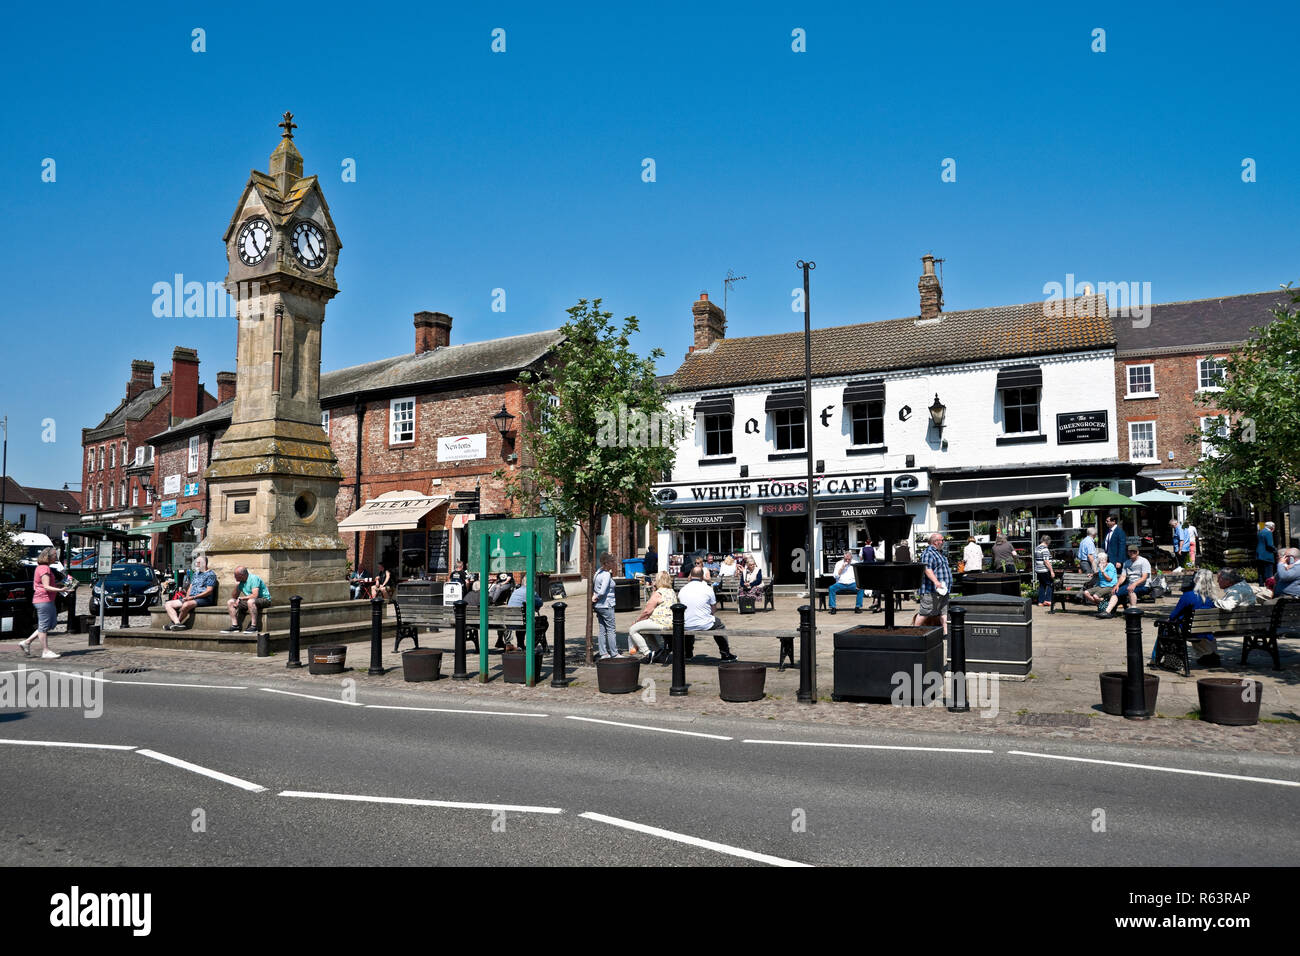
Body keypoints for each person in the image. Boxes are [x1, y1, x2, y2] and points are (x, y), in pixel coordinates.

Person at [1153, 568, 1222, 667]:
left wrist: (1168, 620)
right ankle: (1210, 656)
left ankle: (1163, 660)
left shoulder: (1188, 595)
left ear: (1197, 580)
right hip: (1206, 630)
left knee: (1165, 628)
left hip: (1188, 630)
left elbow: (1173, 616)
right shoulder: (1213, 598)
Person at [17, 548, 74, 659]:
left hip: (46, 600)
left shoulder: (44, 568)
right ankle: (45, 651)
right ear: (48, 556)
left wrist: (60, 584)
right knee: (44, 626)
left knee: (49, 624)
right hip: (44, 600)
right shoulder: (44, 569)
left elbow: (47, 584)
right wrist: (62, 590)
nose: (55, 557)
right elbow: (46, 587)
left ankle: (27, 642)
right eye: (54, 555)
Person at [679, 566, 735, 660]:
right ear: (702, 576)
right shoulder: (708, 588)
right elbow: (714, 608)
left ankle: (688, 653)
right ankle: (725, 653)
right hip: (704, 623)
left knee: (689, 622)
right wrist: (708, 615)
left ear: (691, 576)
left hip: (686, 623)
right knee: (719, 626)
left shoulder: (683, 589)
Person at [629, 571, 676, 663]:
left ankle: (647, 653)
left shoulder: (658, 593)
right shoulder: (671, 591)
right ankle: (658, 651)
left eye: (655, 579)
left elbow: (647, 611)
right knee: (644, 629)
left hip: (660, 622)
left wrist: (637, 621)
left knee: (633, 629)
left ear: (658, 580)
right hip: (671, 621)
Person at [164, 555, 217, 630]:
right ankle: (177, 623)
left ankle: (173, 624)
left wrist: (194, 597)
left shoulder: (211, 574)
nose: (196, 564)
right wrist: (187, 597)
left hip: (203, 599)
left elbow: (209, 591)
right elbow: (190, 587)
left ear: (204, 563)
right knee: (168, 604)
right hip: (191, 597)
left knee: (186, 605)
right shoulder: (196, 574)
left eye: (198, 563)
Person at [913, 533, 952, 634]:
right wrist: (936, 582)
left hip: (943, 590)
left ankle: (945, 633)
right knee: (925, 612)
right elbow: (927, 569)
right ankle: (913, 631)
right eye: (942, 540)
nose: (943, 542)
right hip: (931, 590)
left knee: (944, 612)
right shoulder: (928, 553)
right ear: (936, 541)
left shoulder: (940, 553)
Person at [1097, 544, 1150, 618]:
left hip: (1143, 585)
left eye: (1134, 552)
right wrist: (1117, 585)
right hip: (1130, 585)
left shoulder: (1144, 561)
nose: (1132, 553)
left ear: (1137, 552)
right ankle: (1107, 612)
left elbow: (1144, 577)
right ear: (1128, 553)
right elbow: (1123, 576)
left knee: (1131, 589)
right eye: (1130, 552)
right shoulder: (1126, 563)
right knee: (1115, 592)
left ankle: (1133, 611)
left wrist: (1134, 584)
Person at [504, 571, 547, 651]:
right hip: (522, 622)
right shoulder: (531, 592)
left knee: (522, 621)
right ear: (532, 583)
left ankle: (520, 644)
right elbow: (540, 603)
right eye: (534, 583)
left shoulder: (515, 591)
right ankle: (534, 643)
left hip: (510, 622)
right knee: (543, 621)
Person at [222, 566, 272, 634]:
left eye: (236, 576)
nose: (235, 577)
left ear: (242, 575)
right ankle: (235, 626)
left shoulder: (253, 578)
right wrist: (236, 586)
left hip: (264, 599)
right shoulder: (241, 582)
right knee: (230, 602)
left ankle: (254, 626)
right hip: (251, 601)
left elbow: (255, 595)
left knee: (250, 601)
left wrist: (242, 598)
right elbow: (234, 596)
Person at [592, 552, 619, 659]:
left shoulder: (597, 572)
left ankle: (603, 653)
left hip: (599, 606)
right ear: (607, 563)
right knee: (611, 630)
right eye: (612, 561)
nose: (614, 563)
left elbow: (595, 588)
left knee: (602, 630)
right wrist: (597, 597)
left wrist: (595, 598)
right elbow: (602, 591)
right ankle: (614, 653)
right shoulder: (607, 574)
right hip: (607, 605)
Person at [827, 549, 863, 614]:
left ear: (851, 558)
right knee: (831, 588)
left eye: (849, 559)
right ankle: (833, 607)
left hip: (852, 583)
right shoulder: (839, 563)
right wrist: (842, 568)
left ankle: (858, 607)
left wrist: (858, 584)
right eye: (846, 559)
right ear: (843, 557)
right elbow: (835, 576)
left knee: (861, 588)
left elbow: (859, 575)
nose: (847, 560)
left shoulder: (855, 563)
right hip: (841, 583)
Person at [1033, 534, 1055, 607]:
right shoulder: (1045, 549)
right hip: (1044, 570)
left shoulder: (1037, 548)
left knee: (1042, 585)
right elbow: (1046, 561)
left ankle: (1040, 601)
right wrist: (1051, 571)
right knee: (1050, 584)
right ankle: (1048, 600)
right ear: (1047, 541)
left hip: (1038, 570)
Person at [1256, 521, 1276, 585]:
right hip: (1267, 555)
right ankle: (1269, 588)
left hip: (1259, 555)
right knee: (1268, 573)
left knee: (1260, 572)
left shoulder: (1260, 532)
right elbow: (1270, 545)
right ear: (1272, 527)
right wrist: (1276, 550)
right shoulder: (1268, 532)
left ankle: (1261, 586)